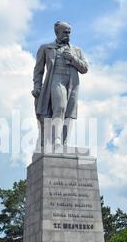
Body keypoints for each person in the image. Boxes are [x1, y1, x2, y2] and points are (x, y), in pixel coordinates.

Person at [32, 21, 88, 149]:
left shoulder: (76, 50)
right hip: (55, 79)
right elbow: (38, 70)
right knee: (60, 107)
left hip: (72, 83)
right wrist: (37, 86)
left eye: (69, 32)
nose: (67, 35)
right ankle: (56, 140)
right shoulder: (46, 48)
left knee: (69, 112)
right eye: (64, 32)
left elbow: (84, 68)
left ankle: (63, 142)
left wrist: (73, 58)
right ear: (57, 32)